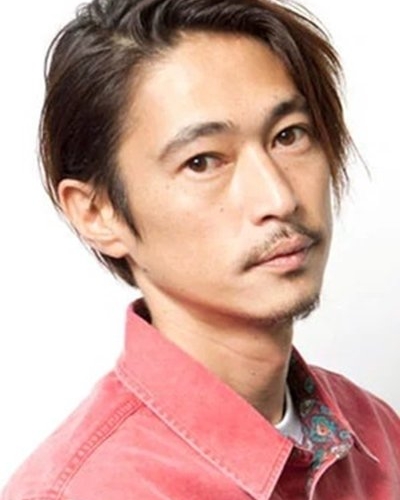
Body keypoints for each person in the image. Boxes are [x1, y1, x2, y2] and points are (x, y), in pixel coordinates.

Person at [2, 0, 399, 498]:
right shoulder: (87, 490)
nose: (279, 198)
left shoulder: (378, 434)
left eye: (288, 136)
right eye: (203, 161)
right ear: (97, 213)